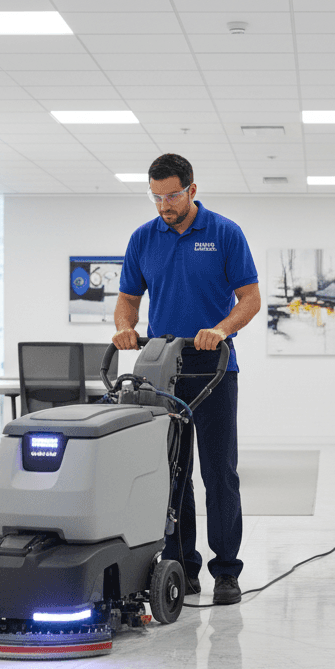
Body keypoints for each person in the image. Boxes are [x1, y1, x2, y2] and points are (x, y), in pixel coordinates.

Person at [112, 153, 261, 605]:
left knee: (219, 474)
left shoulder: (224, 233)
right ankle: (183, 566)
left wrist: (222, 329)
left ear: (192, 190)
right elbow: (128, 301)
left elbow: (250, 298)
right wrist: (124, 326)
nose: (164, 205)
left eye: (172, 195)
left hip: (213, 369)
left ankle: (227, 571)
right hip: (162, 370)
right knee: (173, 476)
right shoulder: (143, 239)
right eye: (156, 196)